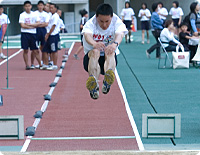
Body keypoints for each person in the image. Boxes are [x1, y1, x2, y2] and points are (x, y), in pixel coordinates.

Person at [82, 3, 128, 99]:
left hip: (108, 60)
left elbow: (120, 34)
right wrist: (94, 44)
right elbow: (87, 35)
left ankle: (108, 79)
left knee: (110, 51)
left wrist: (114, 44)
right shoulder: (90, 23)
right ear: (96, 17)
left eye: (107, 21)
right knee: (95, 51)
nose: (104, 25)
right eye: (101, 21)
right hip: (91, 60)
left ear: (112, 17)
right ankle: (93, 84)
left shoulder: (117, 21)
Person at [19, 1, 42, 70]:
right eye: (26, 6)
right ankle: (27, 65)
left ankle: (40, 64)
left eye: (29, 6)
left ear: (31, 6)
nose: (27, 7)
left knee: (35, 50)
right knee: (25, 50)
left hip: (33, 34)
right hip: (25, 34)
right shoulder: (22, 15)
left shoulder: (34, 14)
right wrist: (32, 26)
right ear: (24, 7)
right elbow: (22, 25)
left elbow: (38, 23)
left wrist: (29, 25)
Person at [42, 3, 60, 70]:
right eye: (50, 8)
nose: (51, 9)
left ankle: (55, 64)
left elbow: (53, 26)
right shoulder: (49, 15)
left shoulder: (56, 16)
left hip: (53, 35)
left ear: (55, 8)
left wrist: (48, 34)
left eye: (52, 8)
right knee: (45, 50)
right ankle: (46, 64)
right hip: (49, 34)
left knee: (53, 50)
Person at [32, 0, 50, 69]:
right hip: (35, 30)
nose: (40, 7)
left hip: (43, 30)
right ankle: (32, 63)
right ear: (37, 6)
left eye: (42, 5)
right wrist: (38, 24)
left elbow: (46, 24)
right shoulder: (34, 13)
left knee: (43, 47)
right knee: (34, 48)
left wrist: (38, 24)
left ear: (43, 6)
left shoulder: (46, 14)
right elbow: (34, 23)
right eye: (39, 5)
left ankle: (42, 61)